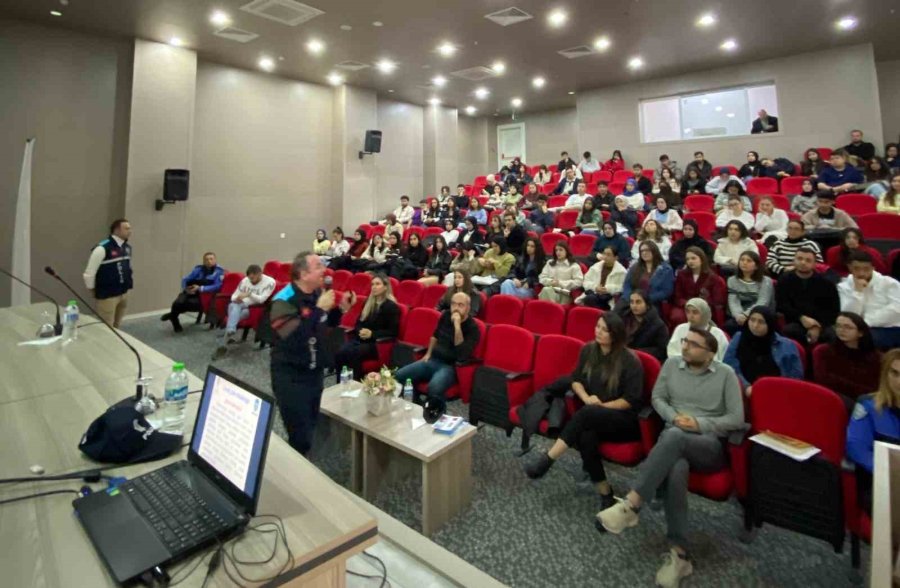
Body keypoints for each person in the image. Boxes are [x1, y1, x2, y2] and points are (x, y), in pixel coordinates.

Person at [596, 328, 744, 587]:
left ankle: (632, 504)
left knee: (675, 438)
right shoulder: (672, 365)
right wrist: (673, 417)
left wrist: (697, 423)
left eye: (694, 345)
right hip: (673, 437)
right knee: (676, 468)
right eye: (685, 341)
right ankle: (680, 554)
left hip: (707, 445)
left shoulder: (726, 375)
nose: (686, 347)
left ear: (710, 354)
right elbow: (658, 398)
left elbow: (736, 419)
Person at [523, 313, 644, 510]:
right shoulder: (589, 350)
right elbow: (576, 379)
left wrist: (600, 407)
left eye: (605, 329)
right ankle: (606, 494)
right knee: (586, 436)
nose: (599, 332)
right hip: (594, 414)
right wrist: (587, 399)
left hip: (624, 419)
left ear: (616, 334)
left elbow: (631, 401)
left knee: (587, 415)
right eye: (597, 327)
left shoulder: (630, 361)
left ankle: (548, 459)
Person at [270, 253, 352, 455]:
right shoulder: (283, 299)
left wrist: (340, 310)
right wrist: (318, 309)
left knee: (311, 426)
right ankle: (295, 481)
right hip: (291, 377)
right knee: (300, 435)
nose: (324, 270)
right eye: (318, 266)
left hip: (314, 373)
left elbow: (322, 325)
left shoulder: (316, 294)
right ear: (303, 274)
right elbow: (293, 338)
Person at [395, 292, 481, 412]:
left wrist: (457, 326)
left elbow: (462, 353)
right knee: (400, 375)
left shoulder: (473, 328)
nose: (456, 308)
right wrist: (428, 354)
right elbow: (435, 336)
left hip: (451, 367)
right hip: (433, 360)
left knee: (434, 387)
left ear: (468, 307)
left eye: (460, 305)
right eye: (454, 304)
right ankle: (416, 407)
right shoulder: (445, 315)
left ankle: (437, 416)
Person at [334, 273, 400, 380]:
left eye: (377, 284)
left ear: (385, 287)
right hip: (361, 340)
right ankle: (340, 383)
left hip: (377, 344)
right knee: (339, 353)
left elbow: (392, 332)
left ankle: (355, 383)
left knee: (352, 353)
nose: (374, 287)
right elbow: (359, 323)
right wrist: (360, 331)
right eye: (372, 284)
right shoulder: (368, 302)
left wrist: (372, 334)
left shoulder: (391, 307)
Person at [723, 306, 803, 396]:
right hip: (743, 392)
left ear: (770, 324)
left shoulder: (786, 345)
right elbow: (729, 364)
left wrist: (776, 391)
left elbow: (795, 377)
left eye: (761, 322)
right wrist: (746, 387)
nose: (755, 325)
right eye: (752, 320)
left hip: (777, 393)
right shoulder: (739, 337)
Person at [813, 312, 882, 410]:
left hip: (865, 400)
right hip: (832, 397)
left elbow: (875, 387)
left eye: (848, 327)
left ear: (860, 332)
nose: (842, 330)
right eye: (838, 326)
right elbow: (823, 379)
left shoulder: (876, 357)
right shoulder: (823, 351)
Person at [775, 247, 840, 346]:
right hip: (796, 321)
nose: (803, 262)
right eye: (799, 259)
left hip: (821, 323)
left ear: (814, 264)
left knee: (832, 335)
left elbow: (833, 310)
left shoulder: (826, 283)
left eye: (808, 260)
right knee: (790, 331)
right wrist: (801, 318)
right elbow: (782, 305)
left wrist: (817, 327)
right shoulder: (784, 279)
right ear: (794, 260)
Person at [838, 251, 900, 350]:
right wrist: (858, 292)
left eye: (866, 269)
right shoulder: (844, 286)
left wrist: (866, 322)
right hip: (857, 329)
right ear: (850, 268)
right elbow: (848, 315)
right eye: (856, 269)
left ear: (873, 268)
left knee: (864, 339)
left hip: (890, 327)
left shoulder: (890, 283)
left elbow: (897, 309)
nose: (861, 273)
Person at [213, 264, 276, 359]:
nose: (251, 281)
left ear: (260, 274)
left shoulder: (270, 282)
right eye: (250, 278)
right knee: (233, 305)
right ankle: (229, 332)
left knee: (233, 310)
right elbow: (233, 296)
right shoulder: (245, 280)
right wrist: (237, 298)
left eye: (254, 278)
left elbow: (261, 300)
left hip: (254, 308)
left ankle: (226, 336)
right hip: (239, 305)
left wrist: (249, 294)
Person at [83, 218, 133, 328]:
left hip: (124, 293)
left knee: (117, 326)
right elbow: (89, 273)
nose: (130, 231)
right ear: (116, 230)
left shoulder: (127, 248)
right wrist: (92, 289)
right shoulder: (102, 248)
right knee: (106, 328)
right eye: (126, 228)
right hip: (108, 295)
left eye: (130, 228)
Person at [160, 252, 225, 333]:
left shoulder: (219, 271)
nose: (209, 261)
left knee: (186, 304)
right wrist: (186, 288)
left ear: (215, 260)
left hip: (204, 295)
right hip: (191, 291)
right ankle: (175, 320)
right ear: (203, 261)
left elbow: (218, 286)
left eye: (211, 259)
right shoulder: (199, 269)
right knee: (177, 303)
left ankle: (172, 316)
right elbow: (185, 279)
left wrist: (201, 288)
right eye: (206, 259)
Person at [670, 247, 726, 326]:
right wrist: (689, 304)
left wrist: (700, 305)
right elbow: (678, 296)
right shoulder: (681, 275)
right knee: (677, 317)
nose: (690, 261)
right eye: (688, 259)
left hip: (704, 307)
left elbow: (717, 299)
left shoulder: (713, 277)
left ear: (702, 259)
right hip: (685, 306)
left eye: (693, 258)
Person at [726, 251, 774, 335]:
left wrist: (746, 315)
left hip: (760, 313)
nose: (744, 263)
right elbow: (733, 301)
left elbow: (763, 302)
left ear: (756, 266)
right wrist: (738, 316)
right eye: (742, 260)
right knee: (730, 325)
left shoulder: (766, 281)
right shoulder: (732, 280)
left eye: (749, 261)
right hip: (740, 314)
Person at [617, 290, 670, 362]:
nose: (634, 306)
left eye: (638, 302)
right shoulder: (624, 316)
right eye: (632, 302)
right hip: (621, 355)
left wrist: (637, 352)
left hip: (642, 360)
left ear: (647, 305)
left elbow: (662, 351)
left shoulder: (658, 325)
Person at [620, 240, 675, 309]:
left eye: (647, 250)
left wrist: (645, 299)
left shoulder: (666, 269)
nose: (644, 253)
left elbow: (666, 292)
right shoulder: (635, 267)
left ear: (654, 251)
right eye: (642, 251)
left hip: (652, 303)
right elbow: (627, 285)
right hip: (631, 301)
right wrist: (630, 298)